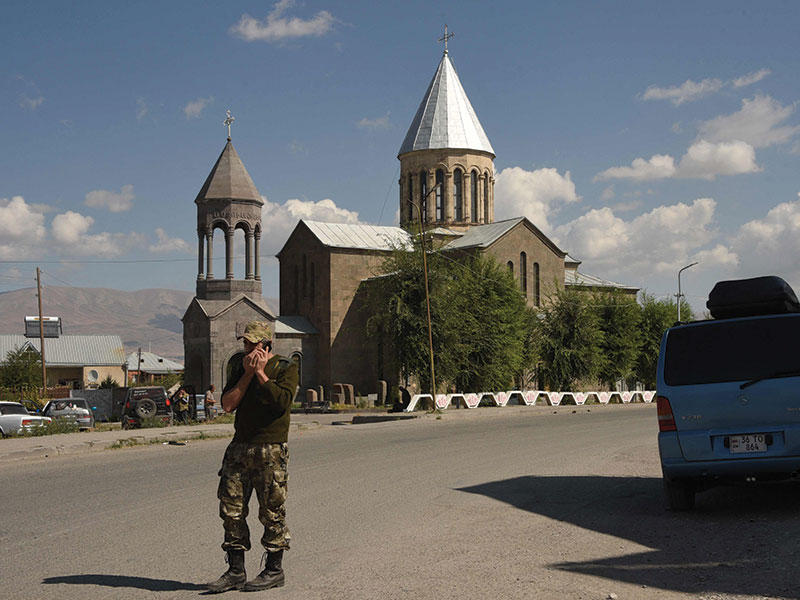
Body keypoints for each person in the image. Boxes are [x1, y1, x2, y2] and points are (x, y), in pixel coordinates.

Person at [205, 321, 299, 593]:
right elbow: (227, 404)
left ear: (266, 345)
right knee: (231, 509)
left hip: (270, 449)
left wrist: (261, 374)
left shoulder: (284, 368)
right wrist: (247, 374)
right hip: (239, 448)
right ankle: (235, 571)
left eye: (252, 344)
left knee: (272, 510)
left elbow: (282, 403)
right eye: (245, 343)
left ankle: (274, 570)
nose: (247, 348)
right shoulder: (239, 368)